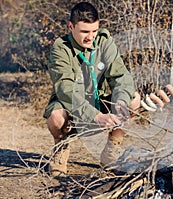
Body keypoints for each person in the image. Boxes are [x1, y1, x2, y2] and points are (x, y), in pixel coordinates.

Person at [43, 2, 140, 176]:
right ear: (71, 26)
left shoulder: (104, 42)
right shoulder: (60, 48)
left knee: (133, 99)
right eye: (85, 32)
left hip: (99, 102)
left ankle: (112, 150)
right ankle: (61, 147)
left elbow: (121, 77)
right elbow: (65, 89)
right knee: (55, 116)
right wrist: (95, 116)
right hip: (72, 108)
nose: (91, 37)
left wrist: (120, 102)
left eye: (94, 31)